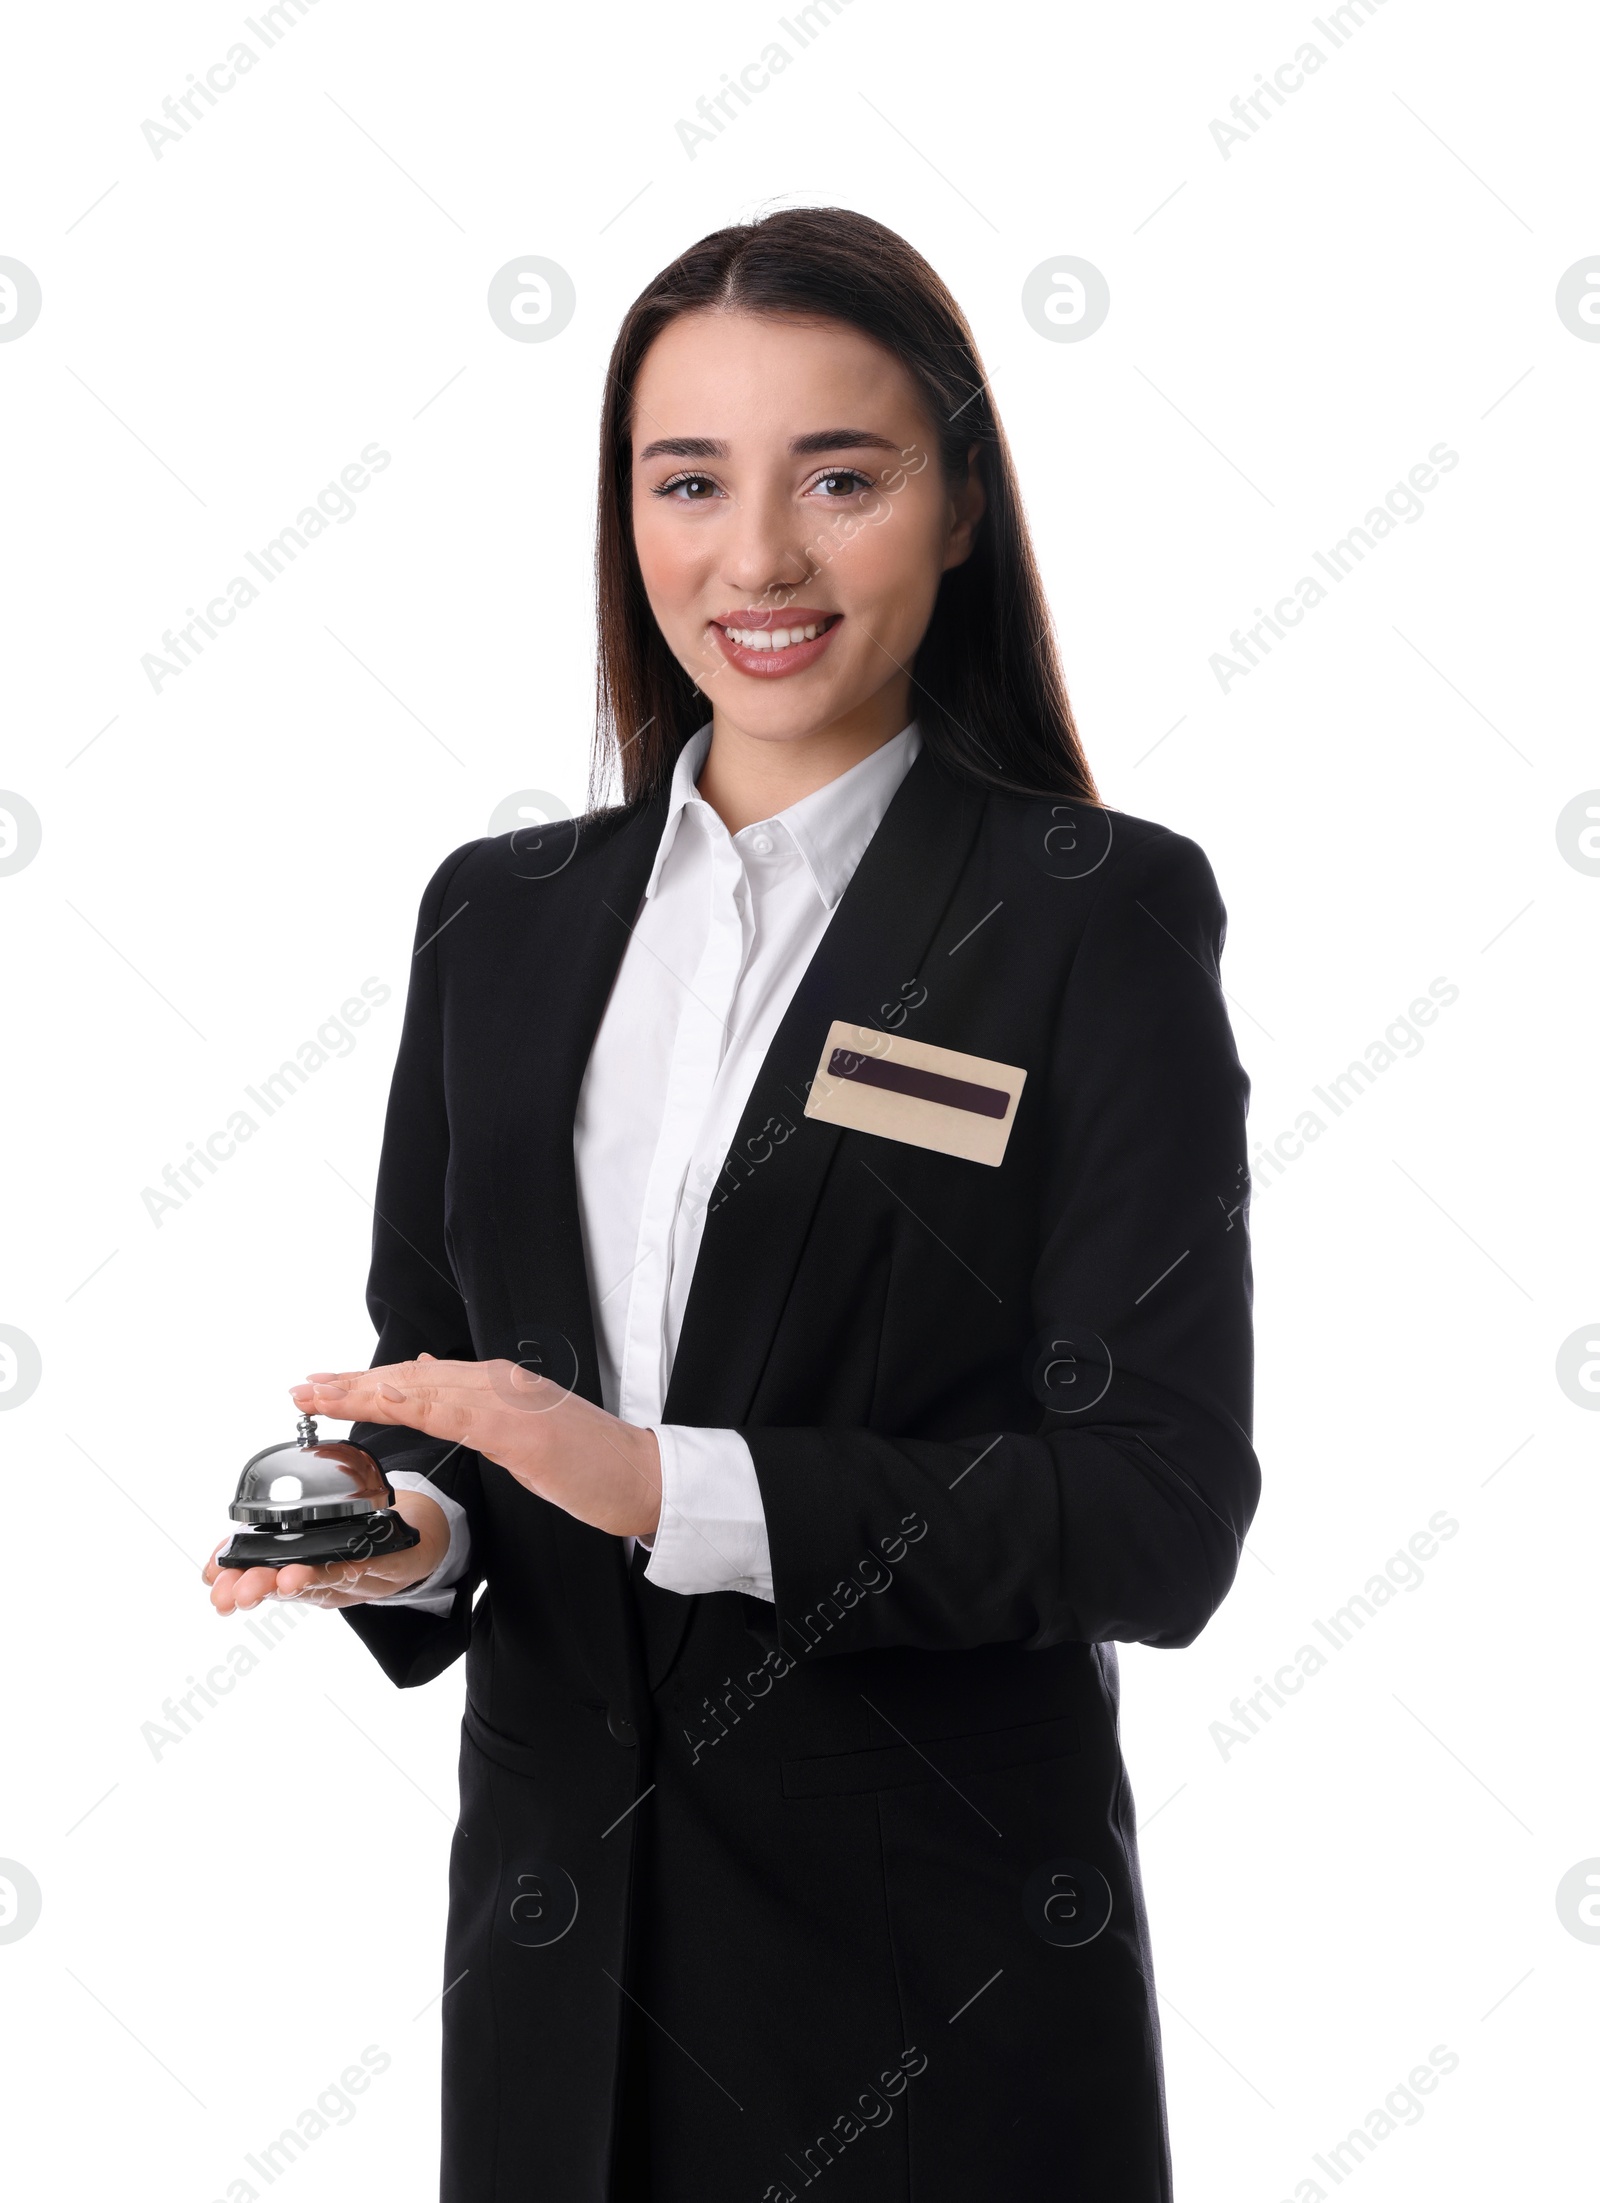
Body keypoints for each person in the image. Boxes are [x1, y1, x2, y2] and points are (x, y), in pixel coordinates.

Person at [206, 205, 1258, 2203]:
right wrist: (409, 1539)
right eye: (686, 481)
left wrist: (660, 1483)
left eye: (837, 480)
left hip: (925, 2022)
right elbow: (445, 1420)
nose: (753, 561)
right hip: (550, 2019)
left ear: (956, 508)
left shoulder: (1086, 919)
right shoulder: (493, 927)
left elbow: (1154, 1514)